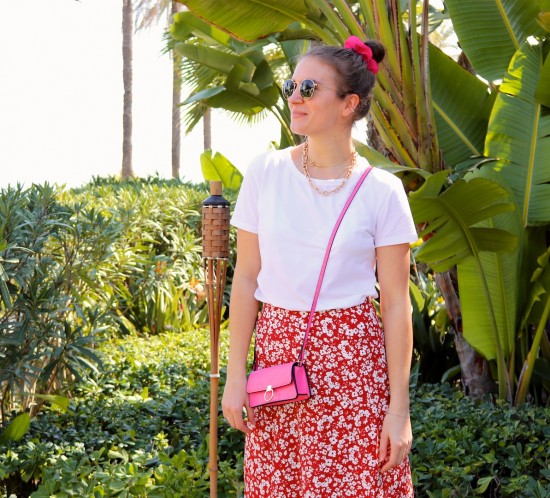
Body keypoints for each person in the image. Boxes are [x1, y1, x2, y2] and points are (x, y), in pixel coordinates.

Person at [222, 35, 417, 497]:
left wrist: (399, 409)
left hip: (354, 368)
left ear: (349, 103)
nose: (293, 96)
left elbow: (395, 305)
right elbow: (246, 278)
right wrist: (234, 379)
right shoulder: (264, 173)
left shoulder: (382, 190)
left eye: (309, 88)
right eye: (292, 85)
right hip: (278, 363)